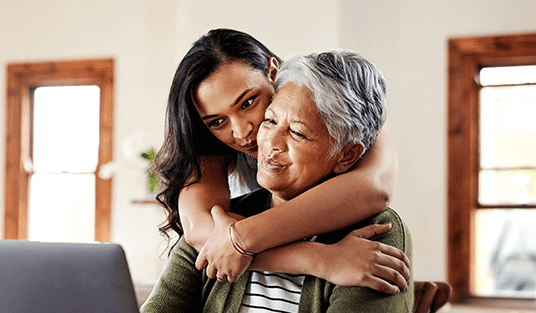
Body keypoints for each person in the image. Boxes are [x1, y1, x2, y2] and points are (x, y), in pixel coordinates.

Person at [143, 50, 425, 313]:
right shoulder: (225, 221)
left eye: (298, 134)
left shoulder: (379, 231)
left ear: (347, 156)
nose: (266, 144)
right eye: (271, 121)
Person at [154, 29, 409, 291]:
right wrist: (319, 259)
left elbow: (374, 187)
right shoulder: (207, 143)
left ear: (272, 72)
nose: (242, 132)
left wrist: (241, 239)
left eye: (248, 102)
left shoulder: (334, 101)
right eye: (218, 121)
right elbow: (202, 232)